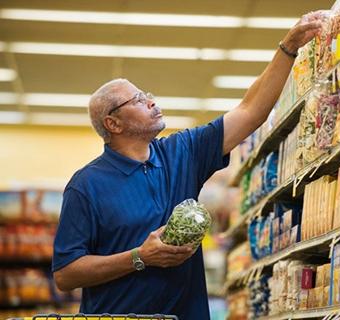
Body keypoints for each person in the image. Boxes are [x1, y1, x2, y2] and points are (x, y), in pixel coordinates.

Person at [52, 12, 322, 320]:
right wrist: (140, 257)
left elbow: (249, 112)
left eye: (148, 95)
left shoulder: (181, 152)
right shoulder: (86, 185)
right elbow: (66, 274)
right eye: (138, 100)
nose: (151, 102)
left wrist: (288, 47)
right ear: (112, 123)